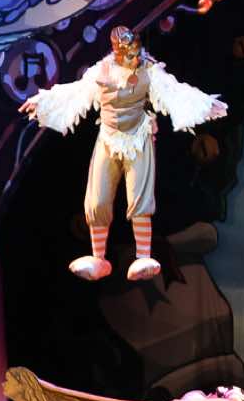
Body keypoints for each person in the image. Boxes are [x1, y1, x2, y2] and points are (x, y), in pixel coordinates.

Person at [20, 24, 228, 282]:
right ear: (116, 52)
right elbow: (75, 93)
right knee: (97, 197)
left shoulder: (149, 70)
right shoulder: (102, 71)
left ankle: (143, 256)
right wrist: (43, 103)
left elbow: (175, 91)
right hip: (108, 138)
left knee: (139, 196)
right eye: (126, 52)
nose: (132, 57)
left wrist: (205, 105)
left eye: (134, 51)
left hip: (138, 138)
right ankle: (98, 258)